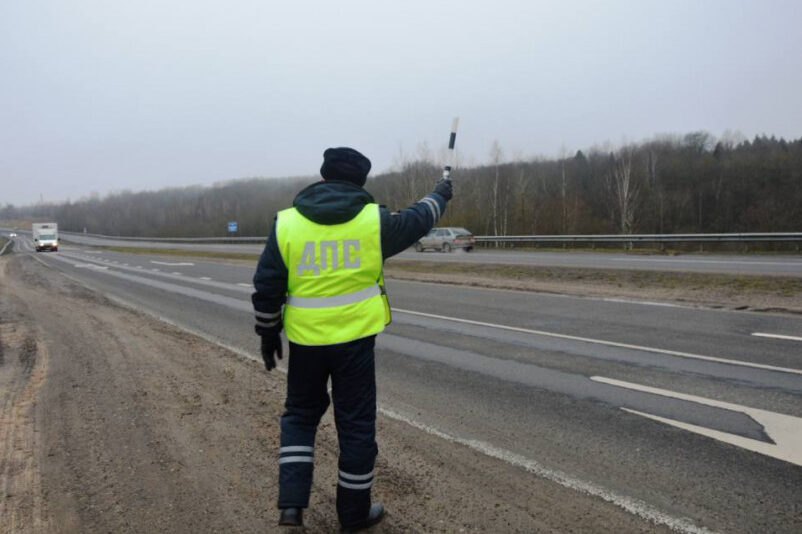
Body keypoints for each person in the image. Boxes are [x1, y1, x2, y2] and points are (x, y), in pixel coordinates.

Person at [252, 147, 452, 531]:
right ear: (361, 182)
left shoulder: (287, 223)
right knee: (356, 426)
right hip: (355, 344)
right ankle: (353, 515)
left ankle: (292, 507)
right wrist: (440, 193)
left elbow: (266, 285)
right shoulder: (372, 223)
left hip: (306, 343)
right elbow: (419, 219)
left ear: (323, 176)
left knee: (299, 416)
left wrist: (267, 333)